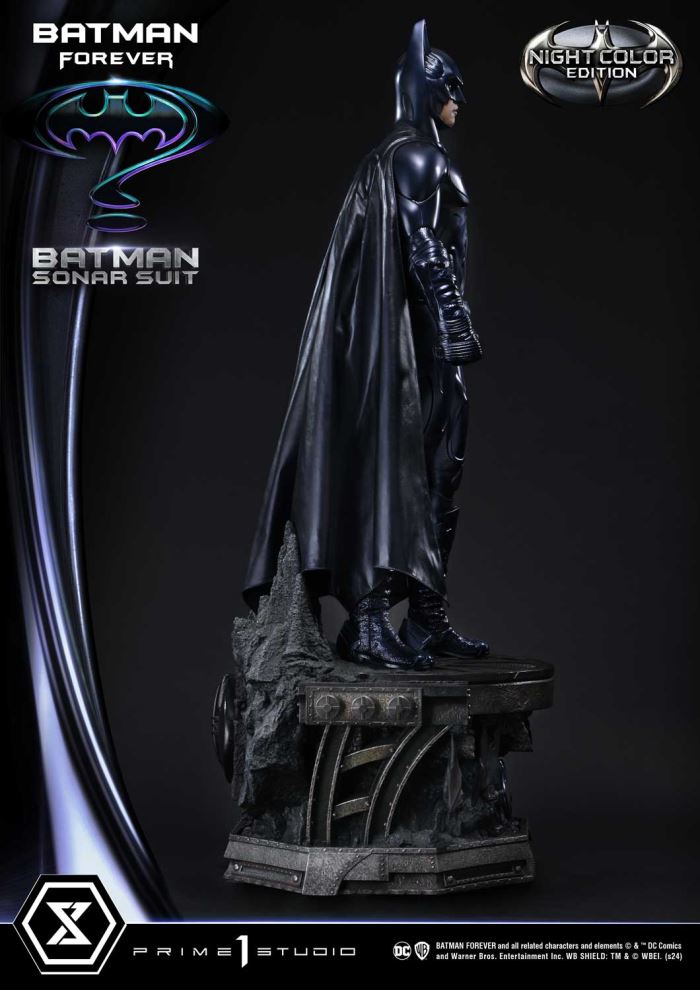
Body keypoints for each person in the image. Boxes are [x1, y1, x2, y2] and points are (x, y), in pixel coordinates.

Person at [242, 19, 489, 671]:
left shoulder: (409, 156)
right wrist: (454, 326)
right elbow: (423, 246)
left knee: (440, 470)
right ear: (427, 88)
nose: (460, 98)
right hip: (406, 349)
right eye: (451, 86)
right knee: (397, 470)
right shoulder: (412, 155)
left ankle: (427, 616)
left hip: (420, 347)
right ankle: (371, 619)